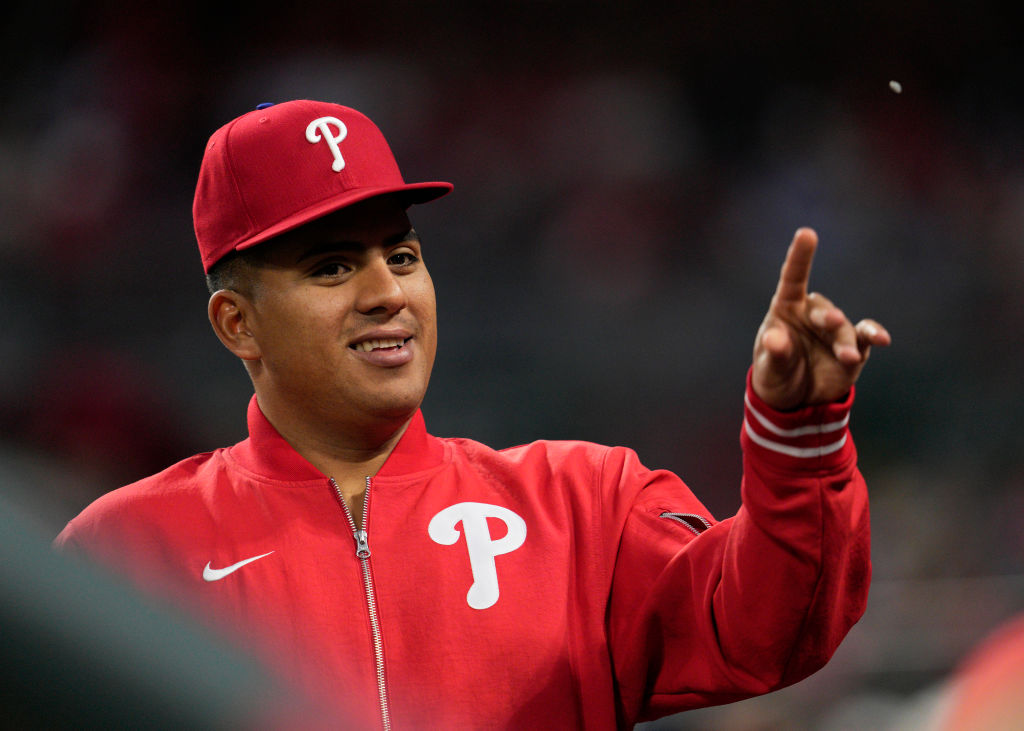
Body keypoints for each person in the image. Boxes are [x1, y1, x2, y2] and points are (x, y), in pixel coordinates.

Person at [55, 99, 891, 729]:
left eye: (403, 254)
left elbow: (770, 627)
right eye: (333, 266)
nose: (387, 293)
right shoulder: (124, 552)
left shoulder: (583, 503)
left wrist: (798, 437)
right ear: (238, 323)